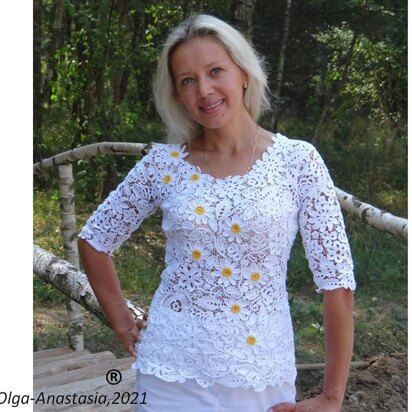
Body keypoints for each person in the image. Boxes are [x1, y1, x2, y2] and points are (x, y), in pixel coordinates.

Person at [78, 14, 355, 412]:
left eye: (215, 71)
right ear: (176, 93)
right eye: (187, 80)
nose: (204, 90)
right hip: (167, 376)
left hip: (260, 375)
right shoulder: (165, 164)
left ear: (243, 72)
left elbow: (337, 282)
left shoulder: (297, 161)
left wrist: (332, 397)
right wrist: (122, 320)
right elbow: (95, 238)